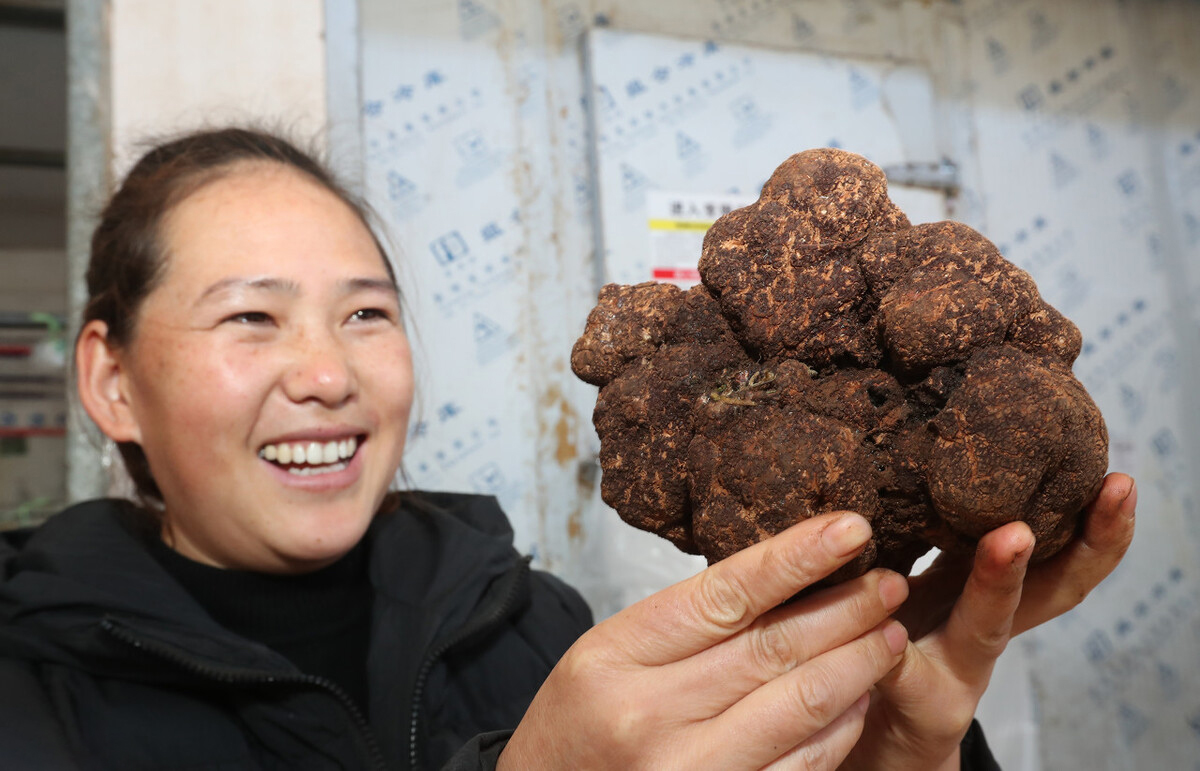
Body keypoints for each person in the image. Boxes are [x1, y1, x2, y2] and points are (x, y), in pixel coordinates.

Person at [0, 128, 1136, 771]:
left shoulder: (529, 624)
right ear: (109, 378)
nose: (328, 373)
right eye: (252, 316)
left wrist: (900, 756)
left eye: (365, 313)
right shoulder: (30, 702)